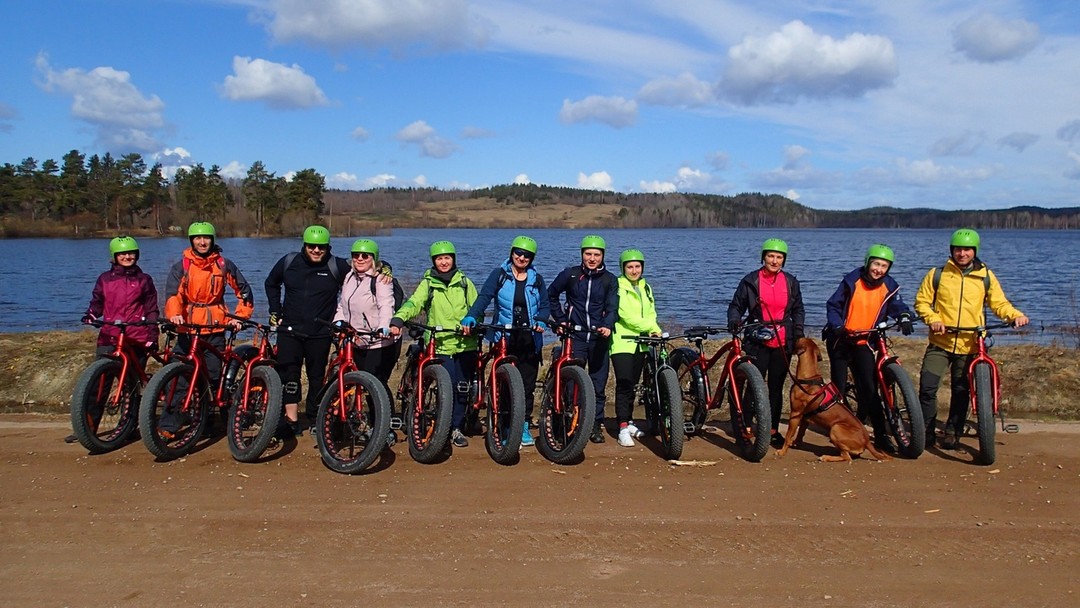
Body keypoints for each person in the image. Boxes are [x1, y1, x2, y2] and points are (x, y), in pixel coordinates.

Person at [914, 228, 1029, 449]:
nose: (962, 254)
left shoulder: (985, 275)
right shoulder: (937, 274)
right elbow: (921, 302)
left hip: (970, 344)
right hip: (941, 342)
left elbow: (999, 303)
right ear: (952, 250)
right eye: (958, 249)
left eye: (967, 249)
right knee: (927, 388)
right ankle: (926, 430)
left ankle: (953, 431)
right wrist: (933, 319)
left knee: (961, 390)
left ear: (974, 251)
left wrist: (1015, 316)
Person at [66, 236, 160, 443]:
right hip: (110, 336)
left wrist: (152, 336)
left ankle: (128, 426)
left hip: (136, 336)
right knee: (98, 384)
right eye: (122, 254)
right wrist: (91, 314)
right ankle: (87, 428)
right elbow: (97, 302)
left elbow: (152, 309)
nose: (127, 257)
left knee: (131, 386)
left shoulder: (144, 280)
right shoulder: (105, 279)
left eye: (131, 253)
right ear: (114, 257)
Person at [822, 244, 915, 453]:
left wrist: (904, 316)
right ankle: (840, 430)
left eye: (884, 266)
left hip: (864, 341)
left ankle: (881, 435)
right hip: (841, 339)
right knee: (839, 387)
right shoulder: (851, 281)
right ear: (868, 262)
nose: (879, 269)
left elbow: (897, 306)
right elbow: (833, 305)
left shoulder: (890, 286)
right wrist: (837, 325)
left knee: (870, 389)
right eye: (876, 263)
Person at [163, 221, 254, 433]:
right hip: (189, 328)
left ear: (212, 240)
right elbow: (173, 294)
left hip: (215, 328)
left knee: (215, 377)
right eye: (198, 238)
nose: (202, 242)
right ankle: (169, 424)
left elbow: (244, 291)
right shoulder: (182, 266)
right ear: (191, 241)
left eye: (206, 238)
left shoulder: (223, 265)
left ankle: (210, 419)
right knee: (178, 378)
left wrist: (239, 317)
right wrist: (175, 314)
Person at [461, 236, 550, 447]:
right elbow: (485, 297)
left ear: (532, 258)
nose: (522, 257)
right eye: (518, 253)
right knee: (506, 385)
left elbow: (545, 305)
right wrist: (472, 315)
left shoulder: (536, 279)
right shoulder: (499, 275)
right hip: (504, 337)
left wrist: (541, 320)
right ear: (511, 253)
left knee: (527, 386)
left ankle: (524, 425)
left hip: (529, 338)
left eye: (527, 255)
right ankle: (504, 425)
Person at [390, 241, 479, 449]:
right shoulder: (428, 283)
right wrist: (399, 318)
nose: (444, 262)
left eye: (447, 258)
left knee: (462, 388)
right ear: (434, 261)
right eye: (439, 259)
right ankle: (441, 427)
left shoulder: (465, 282)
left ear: (453, 259)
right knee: (445, 389)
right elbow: (414, 303)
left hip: (465, 344)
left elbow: (477, 308)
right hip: (440, 345)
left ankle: (456, 428)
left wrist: (473, 322)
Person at [264, 225, 351, 436]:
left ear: (328, 247)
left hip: (320, 332)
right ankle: (291, 420)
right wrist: (275, 310)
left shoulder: (336, 265)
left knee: (316, 377)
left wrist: (384, 268)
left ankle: (314, 418)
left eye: (321, 247)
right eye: (312, 246)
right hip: (290, 330)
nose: (316, 250)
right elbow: (271, 283)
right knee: (289, 375)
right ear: (305, 245)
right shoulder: (289, 262)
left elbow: (363, 269)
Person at [727, 238, 805, 448]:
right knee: (754, 385)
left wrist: (798, 333)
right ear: (763, 257)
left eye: (779, 257)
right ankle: (746, 425)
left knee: (776, 387)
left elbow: (798, 310)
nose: (774, 260)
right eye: (771, 256)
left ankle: (771, 429)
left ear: (784, 260)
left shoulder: (791, 282)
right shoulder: (750, 281)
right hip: (757, 339)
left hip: (782, 341)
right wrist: (734, 321)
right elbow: (736, 306)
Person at [547, 234, 619, 444]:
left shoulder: (609, 279)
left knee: (598, 384)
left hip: (598, 338)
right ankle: (571, 422)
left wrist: (607, 325)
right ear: (582, 254)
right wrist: (561, 320)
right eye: (588, 254)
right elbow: (551, 295)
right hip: (574, 337)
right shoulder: (570, 275)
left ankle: (595, 424)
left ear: (603, 256)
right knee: (572, 385)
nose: (592, 258)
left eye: (596, 254)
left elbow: (612, 307)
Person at [609, 249, 662, 448]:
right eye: (629, 267)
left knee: (633, 384)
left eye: (637, 266)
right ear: (623, 268)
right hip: (622, 341)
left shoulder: (645, 286)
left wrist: (654, 329)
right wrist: (651, 328)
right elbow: (624, 315)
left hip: (641, 343)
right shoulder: (618, 286)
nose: (634, 270)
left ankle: (629, 421)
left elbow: (651, 312)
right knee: (623, 383)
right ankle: (622, 427)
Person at [333, 238, 398, 399]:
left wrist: (383, 327)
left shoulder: (381, 279)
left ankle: (384, 420)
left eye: (365, 255)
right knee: (359, 381)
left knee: (376, 384)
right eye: (356, 255)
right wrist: (337, 322)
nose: (360, 259)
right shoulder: (350, 277)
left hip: (378, 341)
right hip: (357, 340)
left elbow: (386, 305)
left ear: (373, 258)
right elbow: (343, 304)